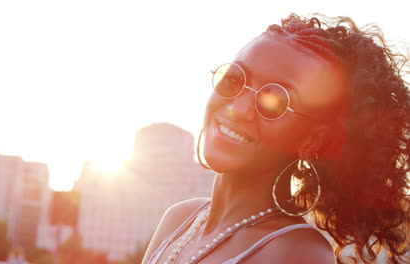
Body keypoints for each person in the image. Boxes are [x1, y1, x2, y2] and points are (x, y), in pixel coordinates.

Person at [142, 14, 409, 264]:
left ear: (312, 141)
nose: (239, 109)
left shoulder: (298, 251)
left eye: (274, 102)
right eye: (235, 79)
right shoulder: (179, 219)